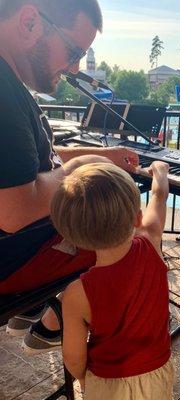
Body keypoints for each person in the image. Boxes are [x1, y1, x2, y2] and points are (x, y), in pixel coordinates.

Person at [0, 0, 139, 353]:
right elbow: (16, 208)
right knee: (124, 228)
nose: (75, 67)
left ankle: (34, 309)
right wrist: (85, 167)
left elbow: (38, 164)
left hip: (19, 252)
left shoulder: (12, 84)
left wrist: (102, 156)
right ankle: (55, 319)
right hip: (10, 267)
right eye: (74, 51)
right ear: (30, 20)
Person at [50, 161, 173, 400]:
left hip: (107, 383)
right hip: (157, 372)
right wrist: (159, 170)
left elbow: (73, 357)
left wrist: (86, 380)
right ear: (137, 219)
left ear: (72, 237)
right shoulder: (151, 240)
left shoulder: (76, 293)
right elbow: (159, 195)